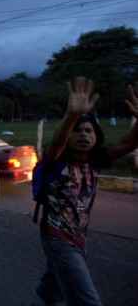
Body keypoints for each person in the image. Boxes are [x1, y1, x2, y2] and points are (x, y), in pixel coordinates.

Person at [31, 77, 138, 306]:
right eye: (76, 131)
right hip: (58, 239)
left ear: (96, 137)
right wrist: (71, 115)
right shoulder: (56, 160)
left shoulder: (96, 160)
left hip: (80, 239)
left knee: (51, 291)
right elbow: (57, 144)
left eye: (88, 131)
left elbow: (127, 144)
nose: (83, 134)